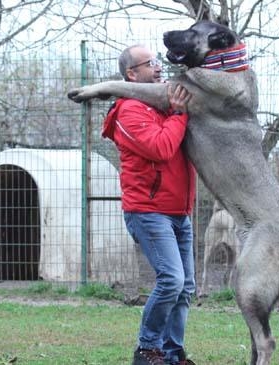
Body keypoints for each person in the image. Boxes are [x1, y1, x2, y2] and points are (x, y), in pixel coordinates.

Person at [101, 44, 196, 365]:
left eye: (158, 61)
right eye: (150, 63)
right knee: (172, 280)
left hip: (179, 213)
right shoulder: (129, 109)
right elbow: (160, 148)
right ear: (132, 74)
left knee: (185, 289)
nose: (158, 67)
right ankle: (147, 350)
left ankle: (172, 354)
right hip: (148, 211)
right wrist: (180, 114)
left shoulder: (162, 106)